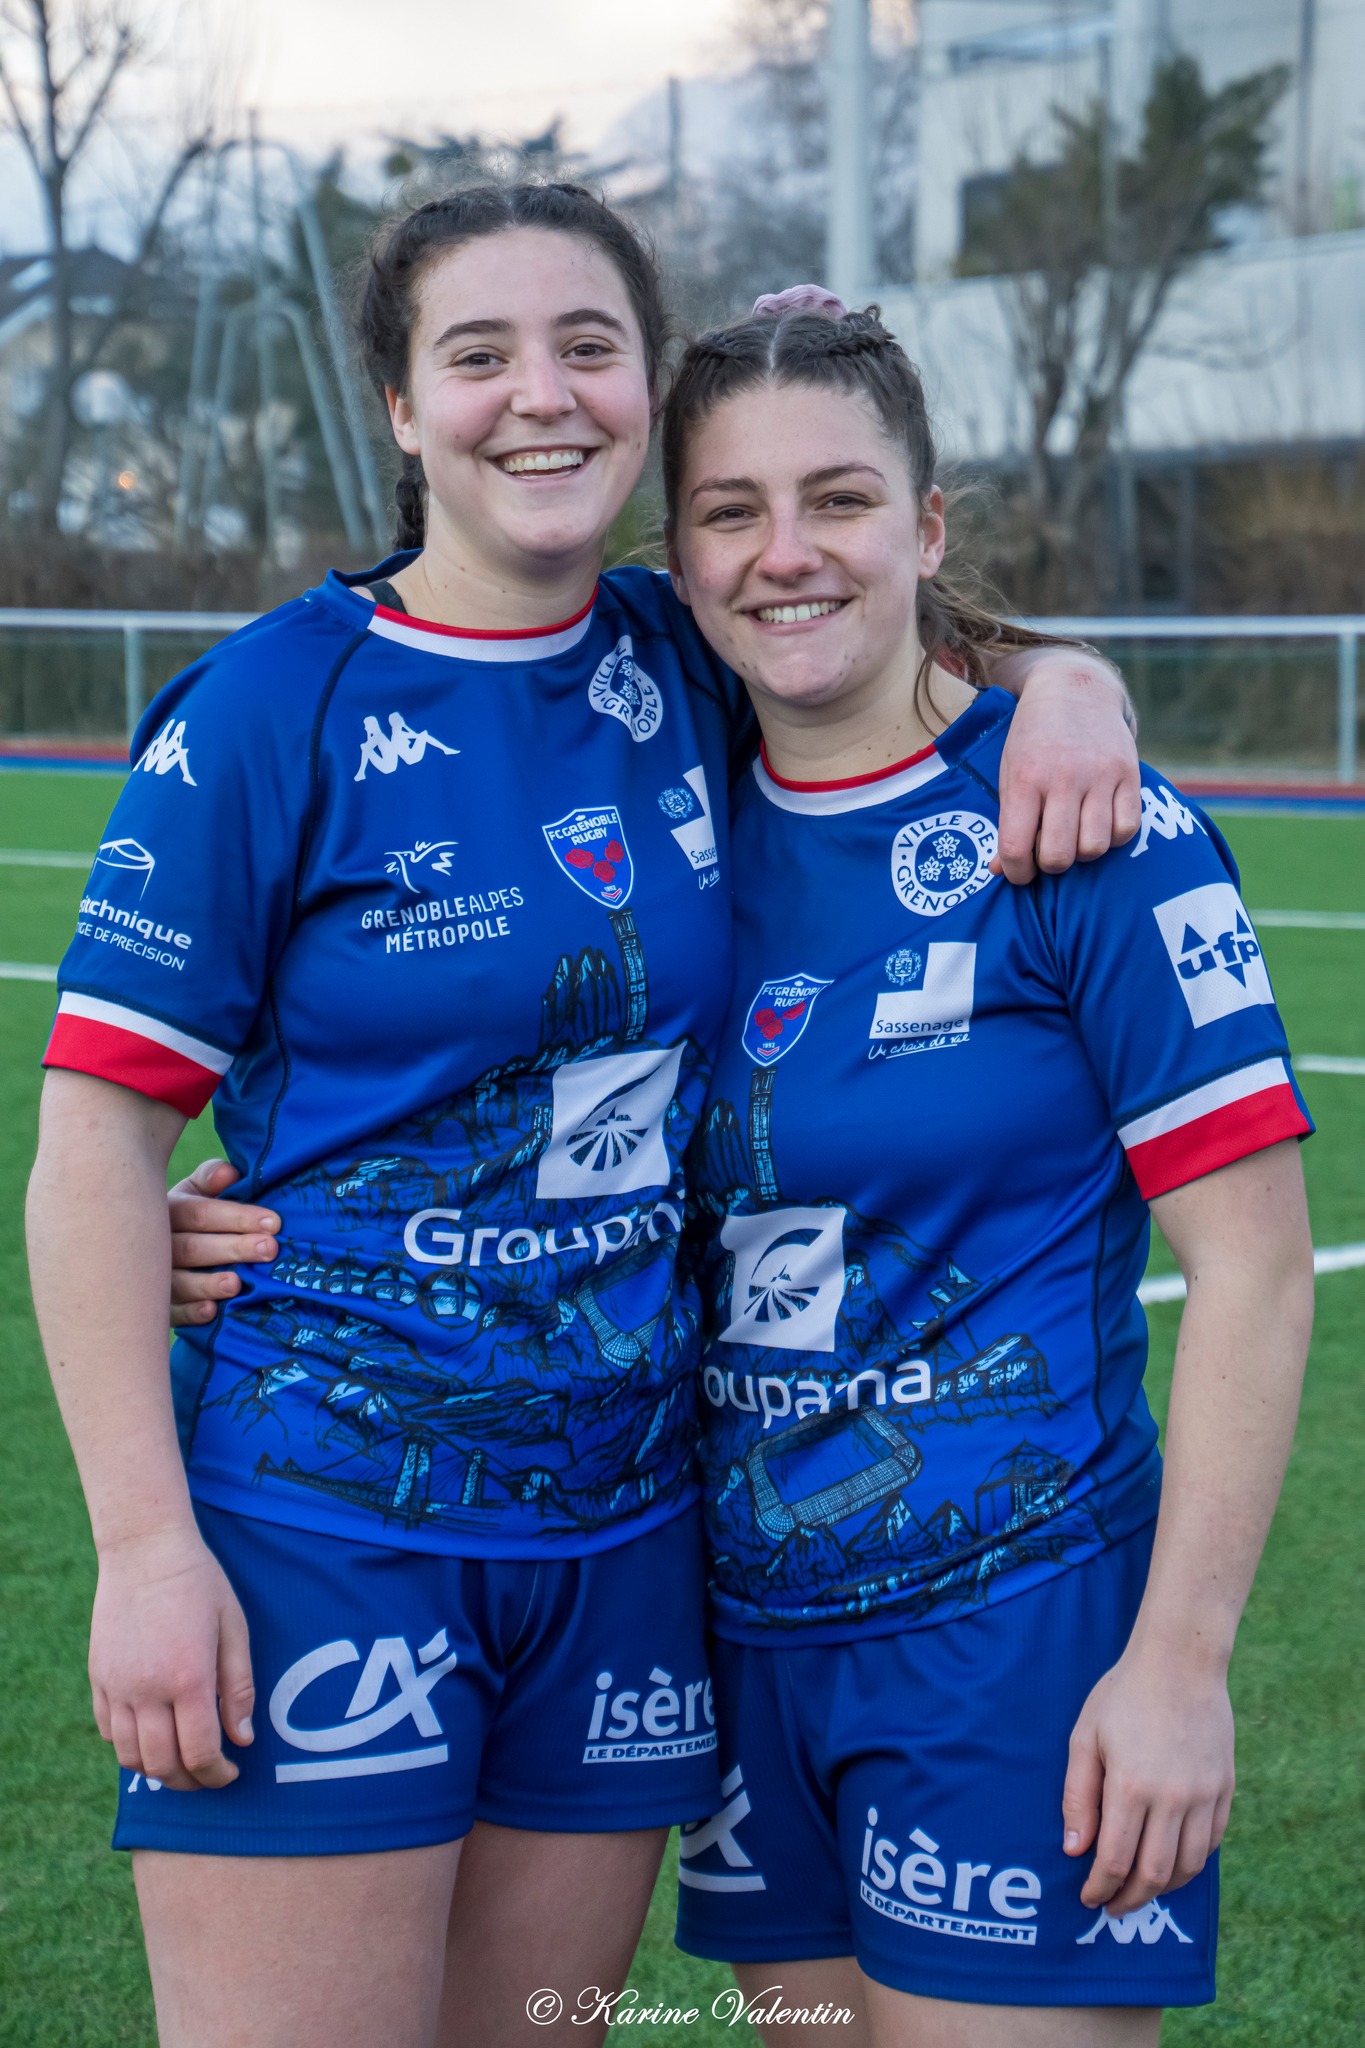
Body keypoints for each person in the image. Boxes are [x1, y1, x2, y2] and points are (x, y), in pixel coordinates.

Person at [27, 187, 1138, 2048]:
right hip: (327, 1517)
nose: (536, 396)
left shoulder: (676, 650)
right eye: (476, 355)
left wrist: (1071, 687)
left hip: (629, 1543)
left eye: (585, 347)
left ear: (640, 392)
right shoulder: (266, 711)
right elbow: (91, 1152)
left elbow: (863, 620)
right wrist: (144, 1551)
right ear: (397, 406)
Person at [647, 306, 1313, 2044]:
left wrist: (1175, 1667)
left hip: (1017, 1639)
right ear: (677, 556)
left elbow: (1249, 1266)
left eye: (839, 499)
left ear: (928, 527)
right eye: (729, 511)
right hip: (739, 1649)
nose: (784, 553)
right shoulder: (665, 824)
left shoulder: (1085, 824)